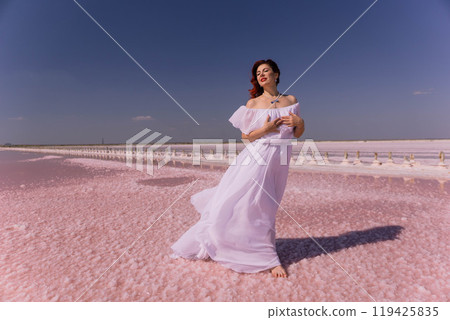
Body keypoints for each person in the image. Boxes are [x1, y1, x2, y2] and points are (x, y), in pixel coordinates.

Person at [170, 59, 305, 278]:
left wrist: (301, 122)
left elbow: (297, 134)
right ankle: (269, 259)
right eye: (258, 73)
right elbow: (246, 137)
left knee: (269, 206)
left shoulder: (291, 100)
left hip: (279, 159)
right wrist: (267, 128)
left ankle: (250, 245)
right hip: (256, 158)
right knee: (254, 205)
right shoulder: (252, 104)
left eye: (266, 71)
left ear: (276, 74)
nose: (261, 75)